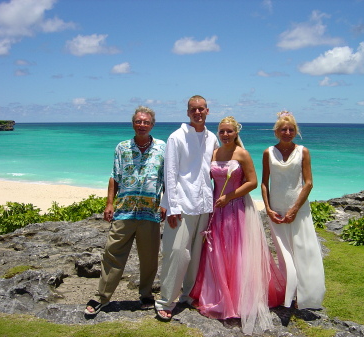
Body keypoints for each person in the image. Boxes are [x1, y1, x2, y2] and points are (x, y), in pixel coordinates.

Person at [189, 116, 285, 335]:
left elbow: (252, 182)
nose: (225, 135)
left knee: (237, 251)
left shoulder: (242, 154)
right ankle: (219, 296)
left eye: (229, 131)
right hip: (216, 208)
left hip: (236, 208)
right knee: (217, 252)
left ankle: (240, 299)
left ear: (236, 132)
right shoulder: (214, 153)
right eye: (222, 131)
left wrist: (230, 197)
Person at [84, 106, 166, 316]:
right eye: (138, 121)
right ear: (133, 123)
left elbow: (168, 179)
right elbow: (114, 177)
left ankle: (146, 295)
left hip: (150, 212)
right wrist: (109, 203)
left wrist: (167, 203)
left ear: (152, 125)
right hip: (124, 211)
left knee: (149, 258)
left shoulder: (163, 148)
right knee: (112, 255)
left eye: (146, 122)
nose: (142, 125)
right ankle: (103, 297)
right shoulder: (122, 147)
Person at [155, 95, 219, 321]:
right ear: (188, 112)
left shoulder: (212, 137)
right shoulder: (176, 137)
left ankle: (188, 296)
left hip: (204, 204)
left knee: (196, 255)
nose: (198, 112)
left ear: (208, 111)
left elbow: (217, 167)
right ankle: (165, 300)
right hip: (182, 203)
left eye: (201, 109)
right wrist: (171, 206)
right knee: (177, 254)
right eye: (194, 109)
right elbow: (170, 174)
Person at [261, 111, 325, 310]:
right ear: (276, 132)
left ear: (296, 131)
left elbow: (308, 183)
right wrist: (268, 209)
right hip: (276, 212)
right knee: (285, 257)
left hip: (299, 211)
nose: (287, 132)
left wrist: (295, 209)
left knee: (304, 253)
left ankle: (303, 296)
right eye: (283, 129)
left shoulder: (303, 151)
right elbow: (264, 183)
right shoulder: (268, 152)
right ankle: (289, 295)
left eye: (291, 129)